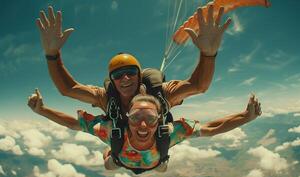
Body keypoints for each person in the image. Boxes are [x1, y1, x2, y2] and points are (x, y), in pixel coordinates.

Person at [36, 5, 232, 120]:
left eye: (130, 71)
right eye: (118, 75)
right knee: (110, 163)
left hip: (155, 147)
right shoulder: (106, 97)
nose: (126, 78)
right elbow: (68, 89)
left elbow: (199, 86)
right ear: (112, 81)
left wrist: (208, 54)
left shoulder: (161, 93)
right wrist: (52, 55)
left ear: (139, 75)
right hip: (126, 149)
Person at [28, 89, 261, 174]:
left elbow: (211, 129)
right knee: (109, 165)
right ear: (126, 117)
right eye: (136, 117)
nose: (142, 125)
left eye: (150, 118)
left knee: (161, 166)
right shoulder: (113, 132)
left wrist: (246, 117)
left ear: (159, 120)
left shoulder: (168, 133)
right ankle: (112, 157)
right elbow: (73, 123)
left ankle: (123, 158)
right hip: (122, 160)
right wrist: (43, 110)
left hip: (154, 162)